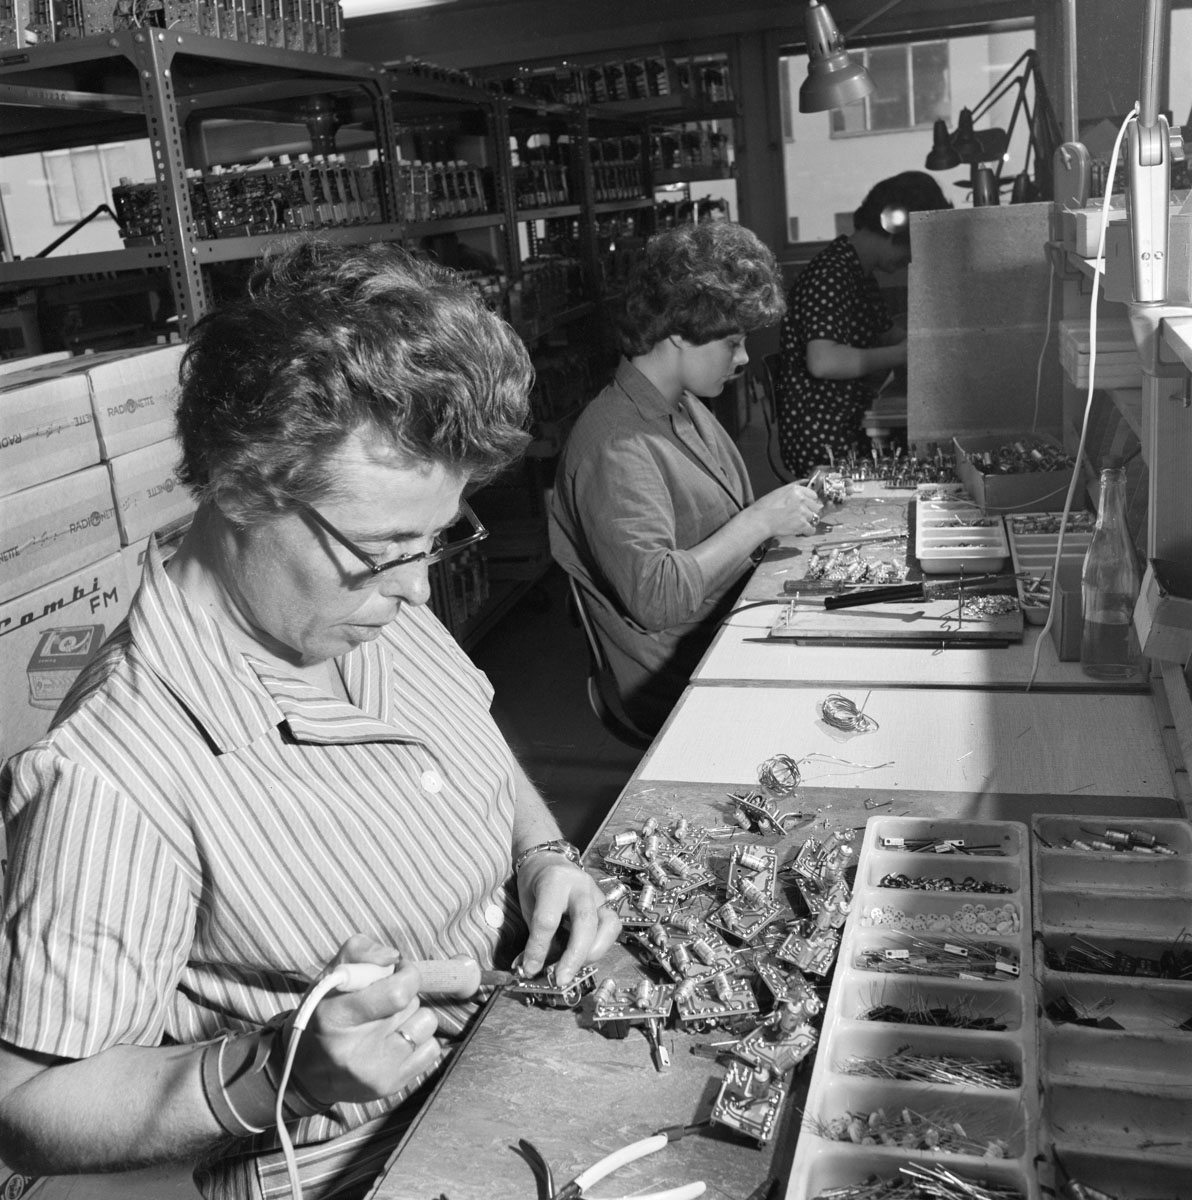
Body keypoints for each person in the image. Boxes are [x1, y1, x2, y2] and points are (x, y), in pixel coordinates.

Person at [0, 238, 620, 1200]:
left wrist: (541, 854)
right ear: (242, 487)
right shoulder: (114, 772)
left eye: (436, 538)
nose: (418, 589)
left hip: (507, 1065)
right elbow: (29, 1110)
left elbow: (467, 742)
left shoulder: (358, 596)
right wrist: (279, 1073)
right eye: (386, 548)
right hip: (368, 1167)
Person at [549, 221, 822, 737]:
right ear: (678, 332)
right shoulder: (615, 444)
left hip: (725, 630)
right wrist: (760, 521)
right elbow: (657, 598)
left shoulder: (683, 406)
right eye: (732, 342)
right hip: (678, 680)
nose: (743, 358)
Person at [774, 170, 951, 479]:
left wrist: (930, 344)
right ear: (895, 227)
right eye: (913, 245)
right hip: (824, 437)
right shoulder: (832, 273)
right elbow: (824, 362)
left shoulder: (859, 272)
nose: (912, 257)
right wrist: (904, 353)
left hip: (849, 423)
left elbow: (888, 333)